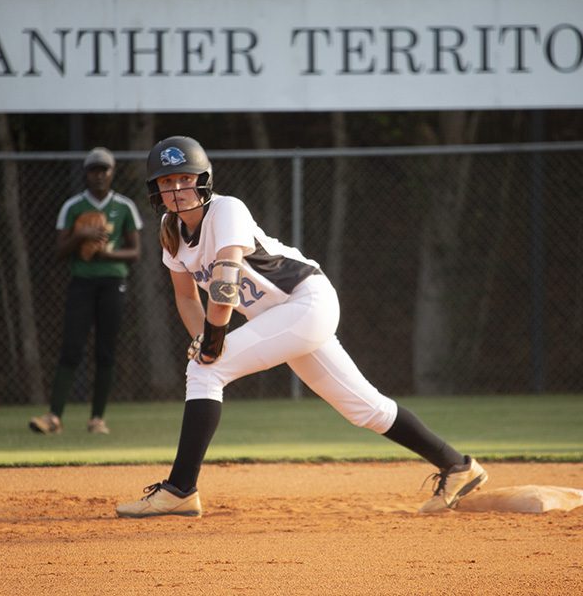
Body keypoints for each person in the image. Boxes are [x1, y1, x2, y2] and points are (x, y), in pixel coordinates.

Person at [115, 136, 486, 517]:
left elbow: (225, 276)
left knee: (206, 369)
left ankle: (180, 490)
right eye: (166, 181)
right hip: (282, 318)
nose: (177, 189)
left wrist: (213, 340)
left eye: (185, 178)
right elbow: (187, 297)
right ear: (155, 189)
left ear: (204, 179)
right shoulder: (171, 231)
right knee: (365, 409)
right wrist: (201, 337)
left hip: (306, 302)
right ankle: (459, 467)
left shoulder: (226, 209)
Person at [30, 147, 143, 435]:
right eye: (94, 169)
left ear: (112, 172)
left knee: (105, 352)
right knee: (71, 349)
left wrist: (106, 254)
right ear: (86, 173)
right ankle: (54, 417)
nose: (99, 175)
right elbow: (59, 252)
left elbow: (135, 252)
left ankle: (97, 419)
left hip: (112, 283)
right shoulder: (74, 207)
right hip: (81, 283)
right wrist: (80, 235)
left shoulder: (124, 206)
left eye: (104, 169)